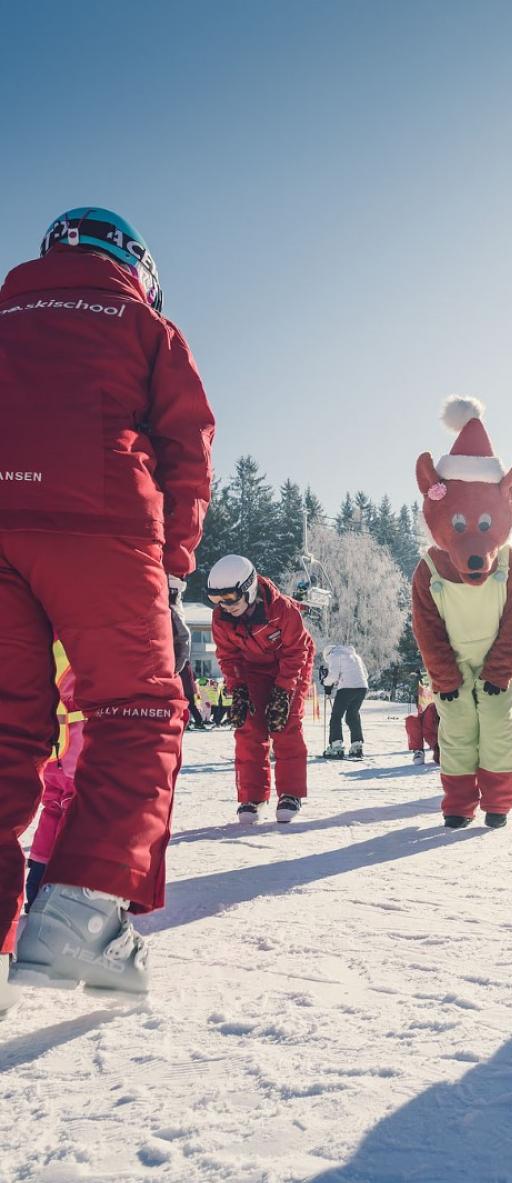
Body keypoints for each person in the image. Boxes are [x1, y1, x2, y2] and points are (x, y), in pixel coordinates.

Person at [1, 207, 213, 1003]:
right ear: (136, 264)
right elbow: (186, 450)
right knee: (136, 712)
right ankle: (81, 921)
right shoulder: (144, 325)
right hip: (101, 521)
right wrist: (170, 572)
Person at [412, 396, 512, 829]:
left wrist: (499, 672)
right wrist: (444, 675)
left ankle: (498, 802)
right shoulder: (429, 570)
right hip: (454, 662)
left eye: (484, 526)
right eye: (459, 526)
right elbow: (426, 628)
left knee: (496, 728)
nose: (474, 545)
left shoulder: (510, 566)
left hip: (497, 660)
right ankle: (459, 804)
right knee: (457, 729)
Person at [208, 554, 314, 824]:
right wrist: (238, 688)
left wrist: (283, 691)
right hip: (252, 668)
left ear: (249, 588)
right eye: (216, 600)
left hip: (290, 663)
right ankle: (251, 796)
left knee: (284, 722)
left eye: (230, 598)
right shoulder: (221, 619)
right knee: (248, 726)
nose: (224, 606)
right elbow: (228, 657)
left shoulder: (282, 610)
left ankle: (290, 793)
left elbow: (297, 652)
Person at [25, 641, 85, 909]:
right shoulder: (79, 631)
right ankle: (64, 887)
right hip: (79, 730)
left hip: (48, 733)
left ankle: (36, 883)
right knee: (74, 804)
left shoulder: (36, 629)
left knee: (53, 804)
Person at [321, 643, 369, 760]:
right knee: (352, 715)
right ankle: (357, 745)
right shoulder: (355, 655)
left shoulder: (335, 654)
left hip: (347, 688)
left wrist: (326, 683)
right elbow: (365, 674)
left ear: (327, 654)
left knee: (336, 716)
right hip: (362, 687)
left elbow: (333, 675)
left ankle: (336, 746)